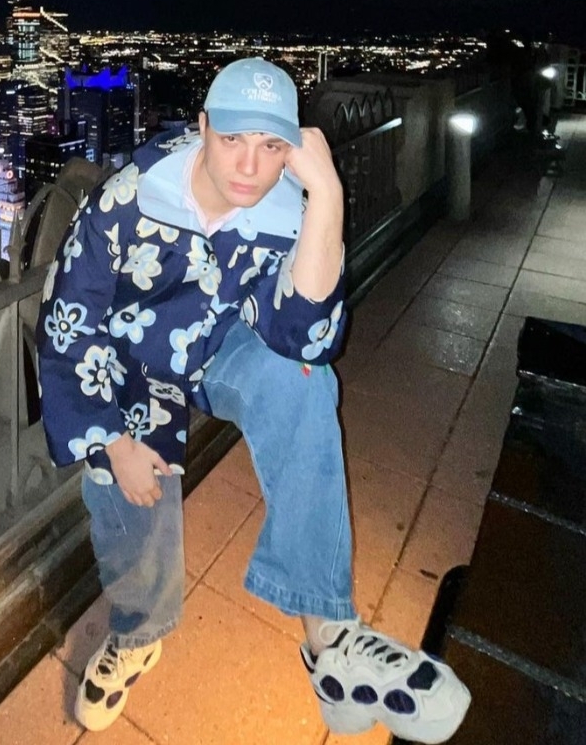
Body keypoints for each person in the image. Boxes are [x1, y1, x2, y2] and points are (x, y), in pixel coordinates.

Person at [35, 58, 471, 742]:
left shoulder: (284, 208)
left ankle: (330, 637)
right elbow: (69, 321)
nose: (248, 165)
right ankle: (139, 632)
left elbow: (307, 336)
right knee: (126, 484)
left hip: (218, 344)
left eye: (271, 146)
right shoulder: (130, 198)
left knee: (304, 381)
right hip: (125, 360)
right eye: (233, 138)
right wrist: (113, 441)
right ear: (202, 127)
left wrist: (326, 194)